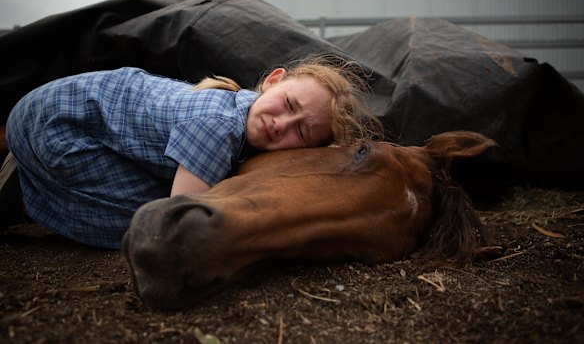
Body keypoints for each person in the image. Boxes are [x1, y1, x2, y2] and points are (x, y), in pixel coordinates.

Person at [1, 55, 383, 249]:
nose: (281, 124)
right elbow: (177, 222)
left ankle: (26, 181)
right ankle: (19, 195)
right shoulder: (217, 126)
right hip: (57, 123)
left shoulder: (237, 105)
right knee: (146, 222)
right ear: (272, 82)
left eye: (301, 131)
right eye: (288, 104)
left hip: (58, 106)